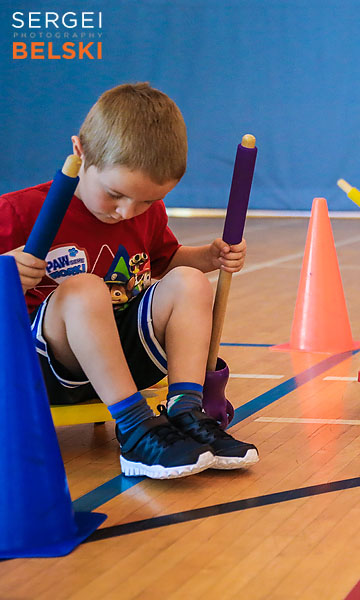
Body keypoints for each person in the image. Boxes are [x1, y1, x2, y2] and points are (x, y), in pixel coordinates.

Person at [0, 82, 259, 479]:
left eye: (146, 201)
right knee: (85, 288)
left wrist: (208, 258)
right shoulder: (18, 210)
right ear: (79, 152)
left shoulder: (143, 213)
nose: (126, 212)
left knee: (190, 280)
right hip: (42, 371)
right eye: (115, 194)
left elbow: (165, 261)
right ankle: (135, 428)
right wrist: (5, 272)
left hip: (125, 359)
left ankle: (186, 411)